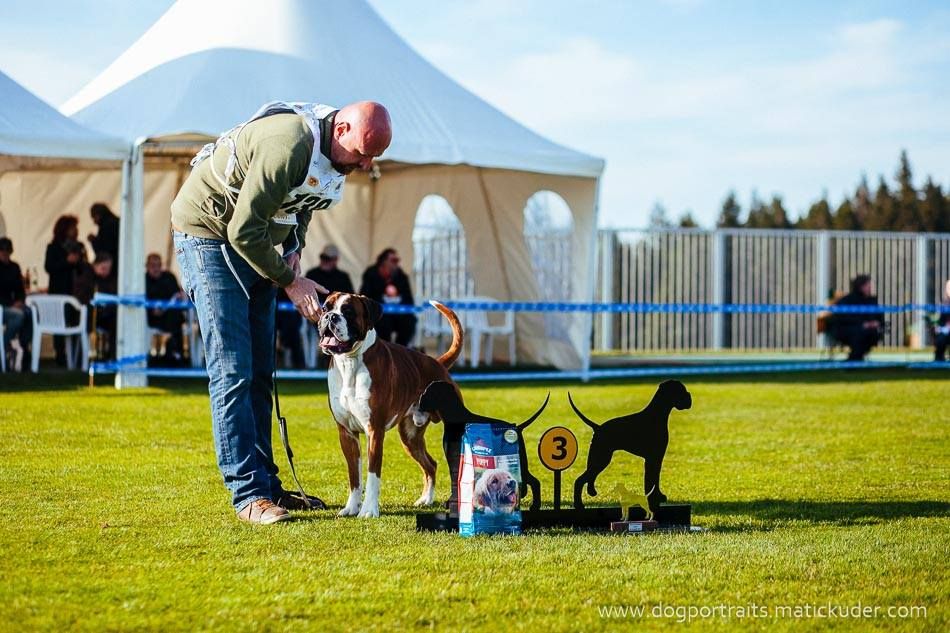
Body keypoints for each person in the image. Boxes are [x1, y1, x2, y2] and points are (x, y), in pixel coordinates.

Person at [171, 99, 392, 524]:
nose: (365, 164)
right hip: (209, 235)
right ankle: (248, 495)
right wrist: (291, 282)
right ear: (342, 128)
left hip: (252, 240)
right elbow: (241, 229)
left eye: (373, 157)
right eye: (363, 152)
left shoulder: (333, 156)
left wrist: (293, 249)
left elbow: (303, 202)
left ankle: (268, 487)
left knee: (259, 372)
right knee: (233, 369)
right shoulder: (289, 144)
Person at [305, 244, 354, 368]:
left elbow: (350, 299)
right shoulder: (312, 274)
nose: (324, 261)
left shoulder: (343, 277)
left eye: (328, 259)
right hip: (315, 317)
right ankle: (312, 363)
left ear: (335, 260)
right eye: (323, 258)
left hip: (338, 318)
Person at [360, 248, 417, 346]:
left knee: (410, 321)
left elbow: (409, 300)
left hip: (398, 315)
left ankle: (400, 350)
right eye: (393, 260)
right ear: (384, 261)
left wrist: (397, 297)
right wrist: (383, 295)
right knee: (382, 323)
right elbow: (364, 296)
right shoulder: (371, 274)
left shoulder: (401, 276)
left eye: (397, 261)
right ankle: (383, 349)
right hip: (379, 314)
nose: (396, 264)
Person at [44, 215, 81, 366]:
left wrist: (78, 261)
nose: (76, 230)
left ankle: (76, 353)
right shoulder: (53, 247)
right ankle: (60, 353)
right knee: (60, 323)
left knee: (75, 321)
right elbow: (49, 267)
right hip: (60, 291)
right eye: (73, 227)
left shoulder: (79, 246)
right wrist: (67, 262)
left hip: (76, 291)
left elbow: (82, 270)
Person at [830, 274, 884, 361]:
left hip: (869, 331)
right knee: (859, 334)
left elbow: (879, 317)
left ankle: (856, 358)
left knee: (871, 334)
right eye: (867, 286)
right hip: (848, 331)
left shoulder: (872, 301)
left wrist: (875, 323)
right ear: (860, 287)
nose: (870, 288)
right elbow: (842, 318)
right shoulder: (846, 301)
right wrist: (862, 324)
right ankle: (854, 360)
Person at [75, 251, 117, 359]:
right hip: (89, 316)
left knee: (117, 320)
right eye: (103, 268)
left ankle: (113, 355)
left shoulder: (110, 280)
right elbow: (82, 298)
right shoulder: (86, 278)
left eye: (108, 269)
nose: (106, 272)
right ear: (95, 265)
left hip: (106, 314)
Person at [145, 253, 186, 362]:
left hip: (171, 316)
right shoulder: (143, 280)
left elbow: (177, 296)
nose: (156, 268)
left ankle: (176, 355)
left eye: (158, 265)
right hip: (150, 317)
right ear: (147, 266)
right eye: (153, 265)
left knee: (176, 316)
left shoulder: (169, 277)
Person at [0, 237, 31, 367]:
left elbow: (20, 289)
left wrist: (20, 300)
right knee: (19, 316)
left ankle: (25, 350)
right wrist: (12, 304)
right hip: (3, 306)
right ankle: (3, 345)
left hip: (13, 305)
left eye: (7, 250)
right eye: (2, 250)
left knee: (30, 314)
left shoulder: (14, 267)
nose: (5, 253)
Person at [88, 203, 120, 268]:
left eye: (94, 217)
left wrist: (94, 241)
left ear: (98, 215)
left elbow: (104, 251)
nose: (94, 221)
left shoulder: (106, 226)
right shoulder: (117, 222)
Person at [932, 279, 950, 362]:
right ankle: (939, 358)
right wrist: (937, 327)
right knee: (940, 339)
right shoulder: (943, 305)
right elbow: (938, 320)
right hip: (944, 332)